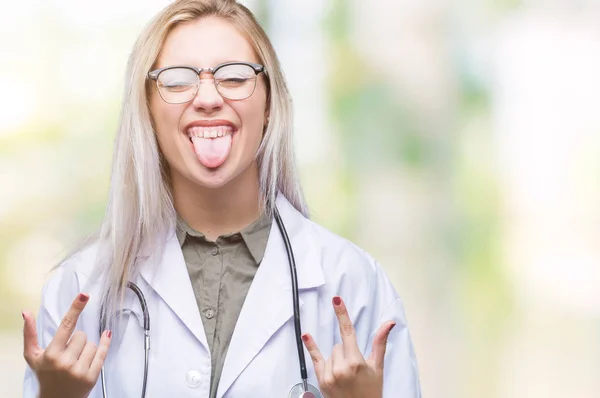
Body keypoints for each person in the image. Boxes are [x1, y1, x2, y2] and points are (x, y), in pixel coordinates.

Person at [21, 0, 421, 397]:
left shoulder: (352, 282)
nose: (208, 97)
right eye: (178, 80)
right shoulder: (82, 286)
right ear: (147, 109)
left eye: (234, 77)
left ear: (268, 103)